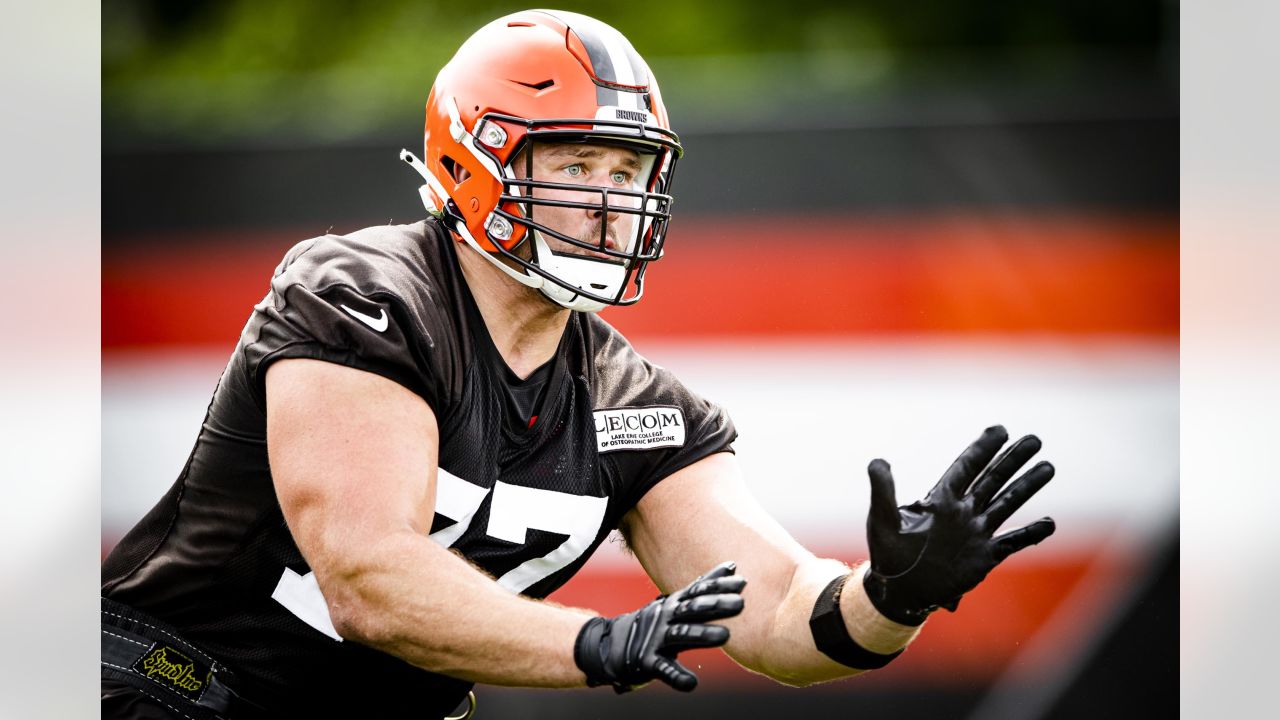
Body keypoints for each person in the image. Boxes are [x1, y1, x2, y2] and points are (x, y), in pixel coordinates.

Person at [101, 9, 1058, 720]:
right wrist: (597, 644)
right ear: (475, 162)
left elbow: (774, 611)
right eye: (575, 167)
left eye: (628, 173)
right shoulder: (366, 293)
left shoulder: (635, 401)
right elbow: (370, 581)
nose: (610, 204)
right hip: (176, 691)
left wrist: (891, 597)